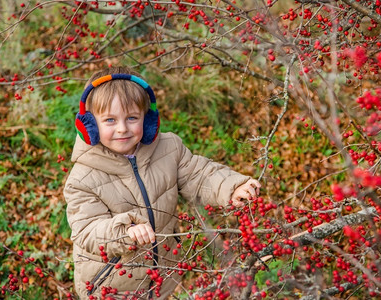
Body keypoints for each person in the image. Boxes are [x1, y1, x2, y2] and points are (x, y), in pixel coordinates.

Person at [64, 66, 261, 299]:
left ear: (148, 120)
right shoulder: (82, 178)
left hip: (162, 277)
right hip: (111, 285)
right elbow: (87, 231)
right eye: (109, 120)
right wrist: (125, 231)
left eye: (132, 118)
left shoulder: (168, 149)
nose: (122, 128)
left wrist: (231, 186)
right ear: (90, 126)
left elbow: (198, 174)